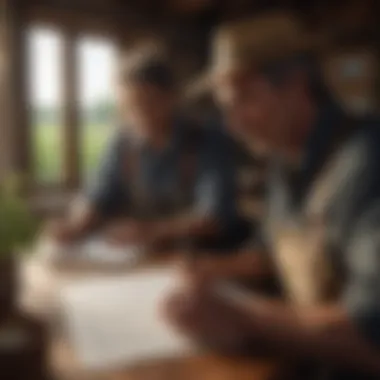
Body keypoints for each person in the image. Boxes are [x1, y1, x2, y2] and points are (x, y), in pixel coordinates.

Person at [165, 12, 380, 379]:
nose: (233, 125)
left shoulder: (367, 163)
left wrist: (243, 318)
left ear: (296, 86)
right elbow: (271, 252)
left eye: (244, 100)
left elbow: (370, 331)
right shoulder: (282, 163)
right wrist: (211, 268)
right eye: (225, 108)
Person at [47, 51, 248, 252]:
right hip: (145, 257)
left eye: (146, 103)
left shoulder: (207, 141)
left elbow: (214, 217)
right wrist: (77, 224)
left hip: (206, 259)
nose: (138, 116)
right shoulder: (122, 144)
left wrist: (150, 231)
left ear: (171, 98)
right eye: (129, 107)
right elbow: (99, 194)